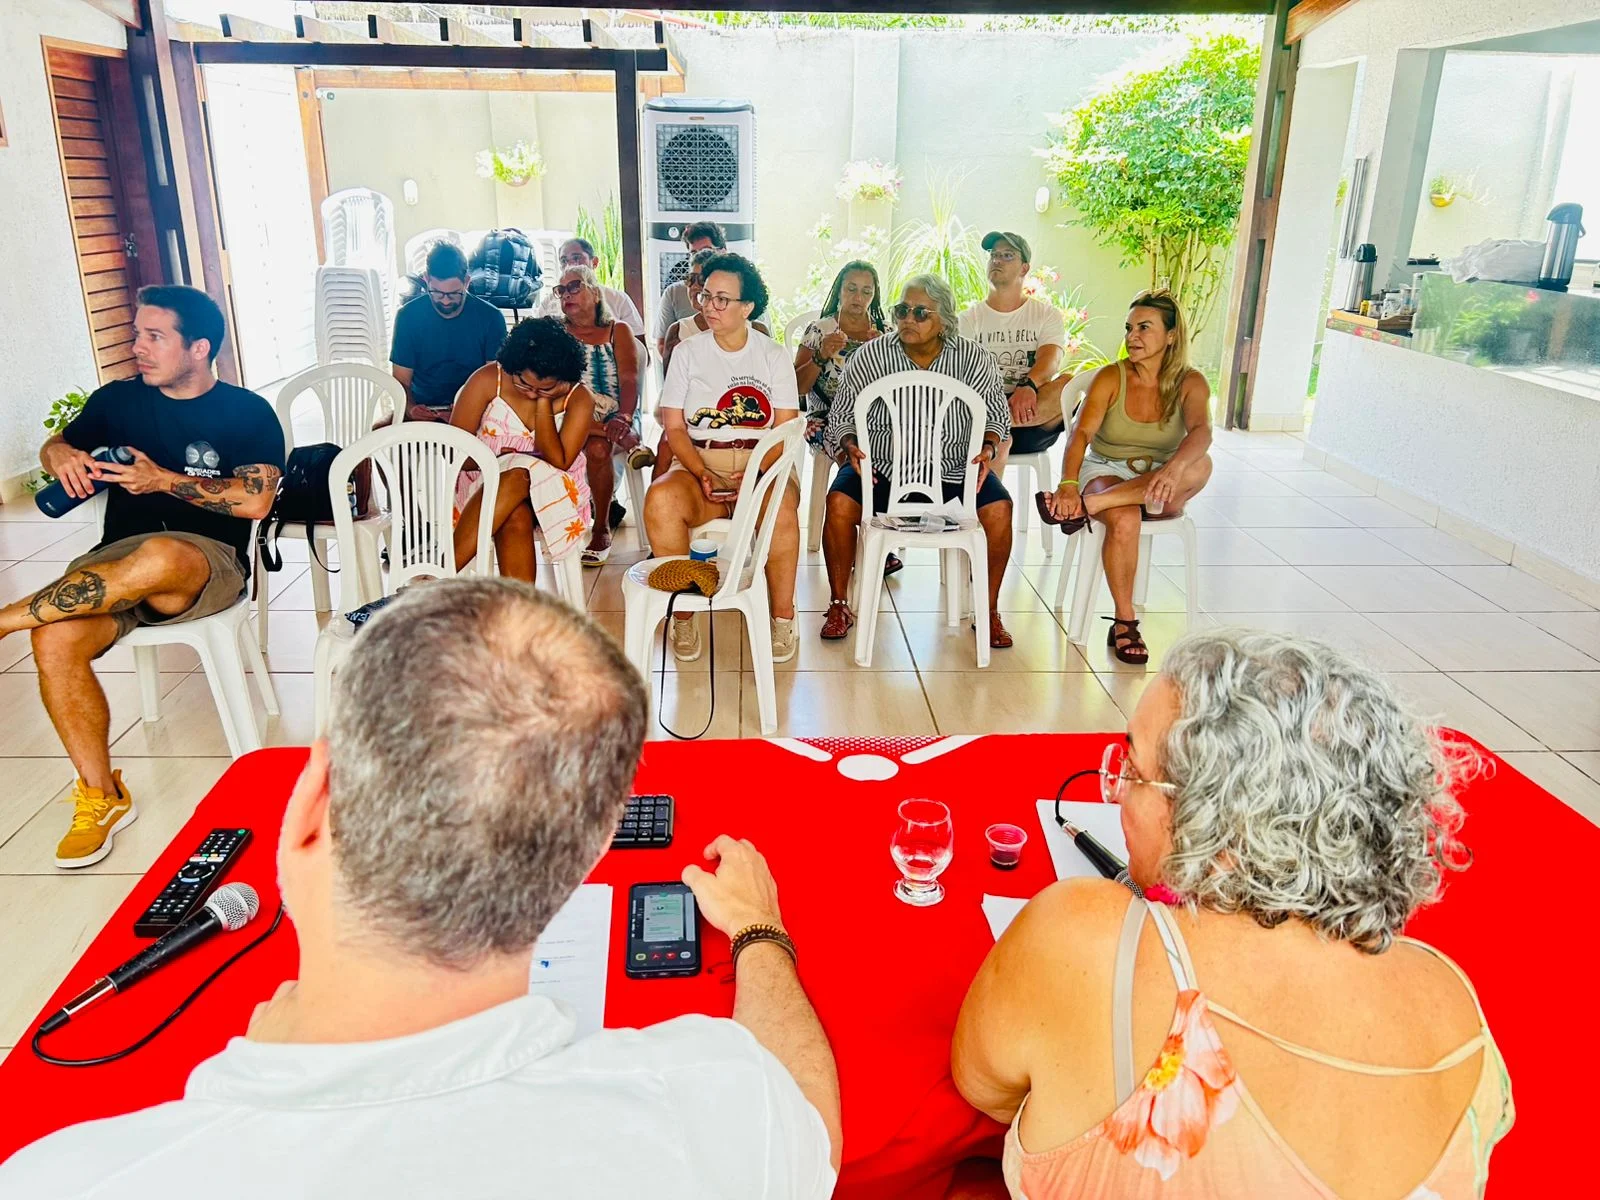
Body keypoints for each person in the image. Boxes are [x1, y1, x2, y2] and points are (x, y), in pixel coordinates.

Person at [0, 578, 842, 1197]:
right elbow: (810, 1120)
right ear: (588, 852)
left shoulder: (59, 1178)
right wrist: (758, 932)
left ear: (310, 803)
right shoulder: (700, 1117)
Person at [952, 628, 1513, 1200]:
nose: (1115, 792)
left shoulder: (1085, 935)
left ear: (1222, 832)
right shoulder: (1451, 995)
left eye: (1135, 772)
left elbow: (983, 1088)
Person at [0, 286, 282, 869]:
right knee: (53, 638)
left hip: (202, 564)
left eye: (154, 336)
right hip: (115, 562)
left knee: (160, 553)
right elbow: (58, 442)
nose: (137, 347)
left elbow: (255, 501)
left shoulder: (247, 412)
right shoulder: (117, 400)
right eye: (137, 334)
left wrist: (162, 481)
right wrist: (59, 456)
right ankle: (100, 794)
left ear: (199, 348)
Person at [821, 274, 1014, 649]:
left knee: (1000, 509)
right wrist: (849, 446)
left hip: (954, 469)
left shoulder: (973, 359)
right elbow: (841, 416)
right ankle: (839, 604)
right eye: (902, 310)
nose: (908, 319)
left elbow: (996, 416)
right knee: (839, 503)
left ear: (945, 320)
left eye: (920, 313)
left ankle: (987, 609)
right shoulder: (870, 357)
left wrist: (988, 448)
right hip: (882, 469)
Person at [1043, 289, 1213, 665]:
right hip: (1108, 468)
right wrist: (1068, 484)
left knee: (1201, 464)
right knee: (1124, 517)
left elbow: (1202, 432)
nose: (1132, 336)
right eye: (1129, 328)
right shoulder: (1111, 377)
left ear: (1171, 335)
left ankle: (1091, 506)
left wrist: (1173, 468)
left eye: (1144, 328)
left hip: (1163, 478)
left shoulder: (1192, 383)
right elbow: (1080, 435)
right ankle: (1124, 622)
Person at [647, 251, 802, 665]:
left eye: (722, 299)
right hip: (700, 460)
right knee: (661, 500)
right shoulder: (687, 352)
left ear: (747, 307)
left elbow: (785, 431)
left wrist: (754, 476)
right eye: (705, 296)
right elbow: (674, 428)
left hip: (763, 465)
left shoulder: (772, 355)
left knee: (781, 510)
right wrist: (700, 472)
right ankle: (683, 613)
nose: (709, 306)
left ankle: (783, 618)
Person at [449, 318, 594, 582]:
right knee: (515, 510)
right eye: (524, 385)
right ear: (513, 366)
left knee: (518, 474)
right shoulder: (487, 380)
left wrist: (543, 405)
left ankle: (439, 575)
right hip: (481, 488)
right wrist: (498, 459)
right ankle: (520, 610)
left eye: (544, 389)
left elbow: (559, 461)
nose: (531, 394)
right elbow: (454, 453)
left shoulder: (579, 398)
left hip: (555, 496)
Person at [555, 264, 641, 568]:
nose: (566, 295)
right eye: (561, 290)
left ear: (595, 292)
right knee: (589, 436)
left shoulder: (618, 330)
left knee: (598, 449)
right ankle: (628, 440)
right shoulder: (557, 333)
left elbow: (629, 379)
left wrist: (624, 418)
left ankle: (601, 527)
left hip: (614, 414)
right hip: (565, 415)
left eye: (574, 287)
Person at [959, 231, 1069, 467]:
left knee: (1068, 384)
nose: (997, 260)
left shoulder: (1045, 314)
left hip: (1030, 417)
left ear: (1024, 268)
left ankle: (998, 422)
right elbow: (962, 371)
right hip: (983, 418)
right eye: (994, 255)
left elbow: (1050, 359)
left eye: (1007, 255)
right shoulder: (969, 319)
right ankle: (996, 423)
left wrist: (1028, 385)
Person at [391, 241, 509, 422]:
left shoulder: (491, 318)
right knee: (379, 431)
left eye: (454, 294)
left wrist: (465, 409)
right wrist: (412, 409)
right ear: (426, 279)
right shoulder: (407, 316)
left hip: (474, 406)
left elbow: (495, 380)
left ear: (467, 282)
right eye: (437, 293)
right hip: (423, 406)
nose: (445, 301)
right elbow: (401, 382)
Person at [794, 260, 887, 448]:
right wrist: (821, 355)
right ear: (839, 291)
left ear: (874, 296)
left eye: (866, 292)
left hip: (875, 417)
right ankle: (852, 464)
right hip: (825, 417)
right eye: (851, 289)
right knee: (852, 448)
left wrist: (883, 352)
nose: (858, 297)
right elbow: (797, 388)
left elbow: (901, 382)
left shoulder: (886, 333)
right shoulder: (819, 330)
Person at [537, 236, 646, 344]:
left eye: (576, 258)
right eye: (564, 261)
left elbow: (639, 346)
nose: (569, 265)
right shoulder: (549, 303)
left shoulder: (618, 299)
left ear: (594, 262)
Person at [653, 220, 726, 357]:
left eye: (706, 251)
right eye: (693, 253)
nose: (699, 257)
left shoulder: (742, 291)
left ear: (723, 252)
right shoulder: (675, 292)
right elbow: (663, 345)